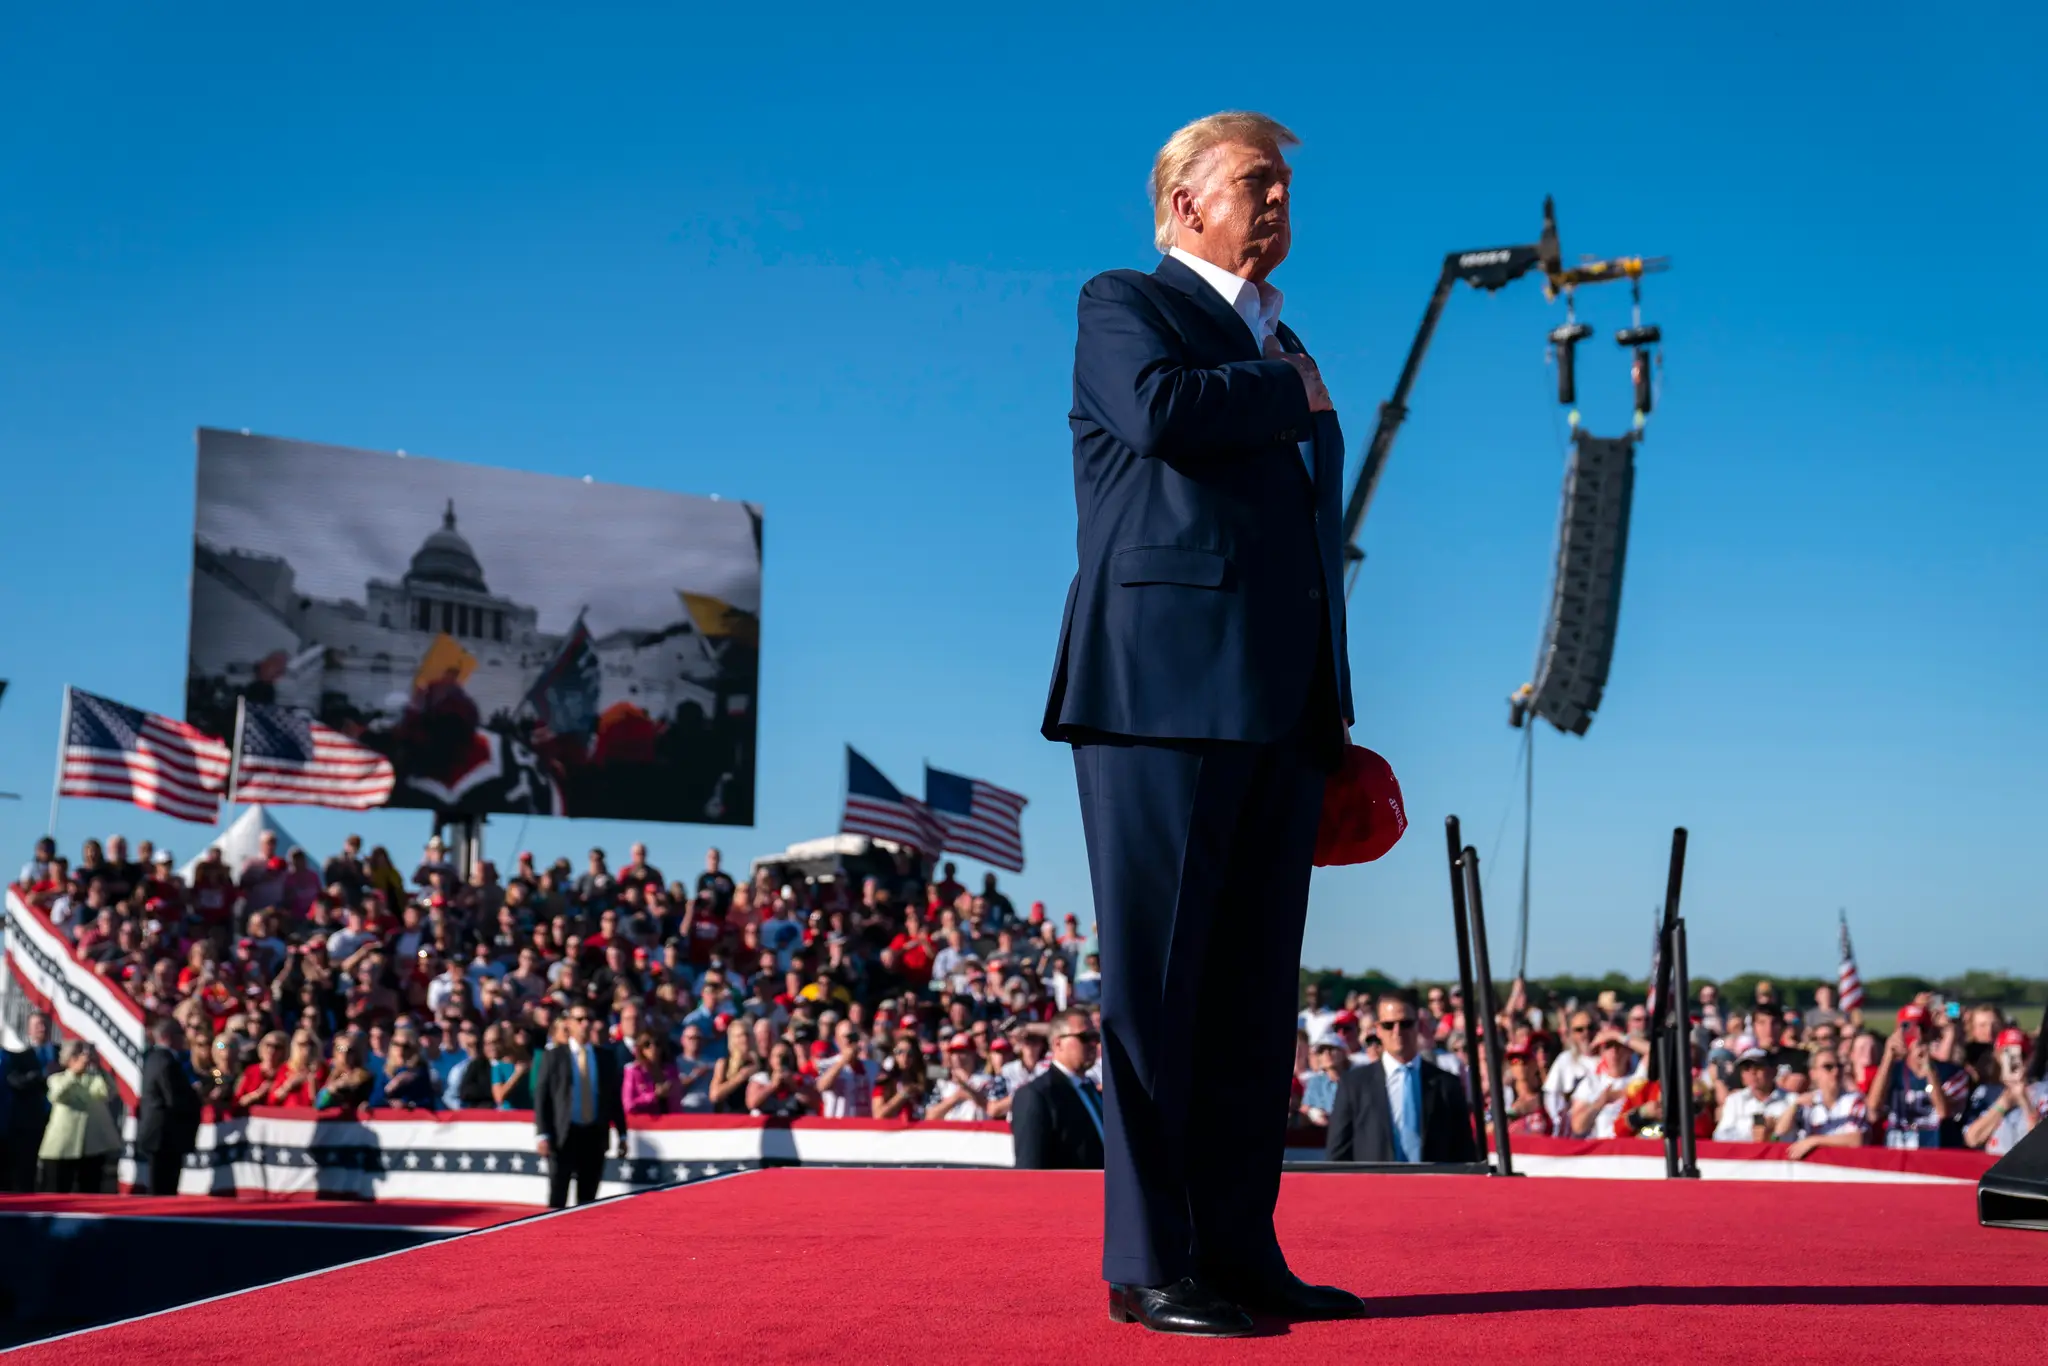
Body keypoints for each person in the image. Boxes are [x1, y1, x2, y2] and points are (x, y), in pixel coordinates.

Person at [1044, 108, 1357, 1336]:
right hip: (1157, 695)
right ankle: (1148, 1264)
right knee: (1158, 994)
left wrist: (1331, 702)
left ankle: (1238, 1252)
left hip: (1278, 705)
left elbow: (1310, 544)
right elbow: (1158, 413)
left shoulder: (1286, 341)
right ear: (1184, 203)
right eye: (1254, 181)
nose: (1277, 202)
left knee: (1249, 1005)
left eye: (1284, 185)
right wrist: (1284, 385)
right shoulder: (1124, 302)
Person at [1326, 994, 1478, 1164]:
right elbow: (1338, 1155)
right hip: (1374, 1180)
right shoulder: (1353, 1085)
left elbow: (1464, 1153)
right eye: (1388, 1025)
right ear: (1378, 1030)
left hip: (1432, 1180)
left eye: (1405, 1024)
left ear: (1418, 1026)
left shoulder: (1447, 1085)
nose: (1397, 1031)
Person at [533, 1005, 627, 1208]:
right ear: (568, 1023)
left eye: (589, 1019)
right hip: (563, 1134)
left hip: (594, 1134)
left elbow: (613, 1098)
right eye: (579, 1019)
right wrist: (542, 1134)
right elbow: (542, 1097)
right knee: (558, 1196)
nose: (585, 1024)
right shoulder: (554, 1056)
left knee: (588, 1200)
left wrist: (622, 1134)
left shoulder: (605, 1057)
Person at [1011, 1009, 1107, 1169]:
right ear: (1058, 1043)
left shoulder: (1090, 1089)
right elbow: (1030, 1169)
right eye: (1084, 1037)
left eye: (1095, 1037)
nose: (1093, 1044)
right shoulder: (1036, 1095)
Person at [1866, 1005, 1969, 1148]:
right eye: (1908, 1027)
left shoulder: (1953, 1073)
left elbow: (1943, 1113)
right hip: (1898, 1148)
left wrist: (1929, 1070)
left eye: (1922, 1027)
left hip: (1935, 1149)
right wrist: (1888, 1058)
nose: (1918, 1035)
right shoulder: (1892, 1071)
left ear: (1931, 1033)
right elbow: (1873, 1107)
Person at [39, 1042, 121, 1194]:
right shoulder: (57, 1078)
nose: (83, 1059)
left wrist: (99, 1068)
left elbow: (109, 1092)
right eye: (77, 1056)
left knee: (90, 1190)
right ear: (68, 1058)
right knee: (57, 1189)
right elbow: (56, 1095)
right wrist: (73, 1072)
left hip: (92, 1146)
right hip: (63, 1146)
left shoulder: (94, 1079)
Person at [135, 1018, 202, 1195]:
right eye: (180, 1034)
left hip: (161, 1134)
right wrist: (197, 1097)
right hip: (165, 1134)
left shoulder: (154, 1057)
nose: (184, 1038)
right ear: (168, 1036)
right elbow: (173, 1097)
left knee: (161, 1184)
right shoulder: (166, 1060)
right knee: (163, 1186)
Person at [1779, 1048, 1869, 1159]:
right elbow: (1780, 1132)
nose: (1836, 1071)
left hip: (1845, 1163)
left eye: (1839, 1066)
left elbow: (1857, 1140)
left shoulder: (1855, 1100)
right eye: (1828, 1067)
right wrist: (1794, 1106)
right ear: (1813, 1073)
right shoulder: (1806, 1101)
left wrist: (1814, 1141)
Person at [1713, 1048, 1793, 1143]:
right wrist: (1751, 1132)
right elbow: (1720, 1136)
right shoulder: (1734, 1100)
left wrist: (1775, 1132)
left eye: (1758, 1066)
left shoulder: (1792, 1100)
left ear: (1774, 1071)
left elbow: (1801, 1136)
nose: (1752, 1072)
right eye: (1746, 1068)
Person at [623, 1030, 683, 1116]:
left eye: (657, 1044)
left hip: (670, 1120)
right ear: (640, 1049)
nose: (653, 1048)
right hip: (646, 1121)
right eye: (647, 1044)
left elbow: (677, 1104)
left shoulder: (671, 1070)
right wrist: (654, 1096)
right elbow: (628, 1105)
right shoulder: (633, 1071)